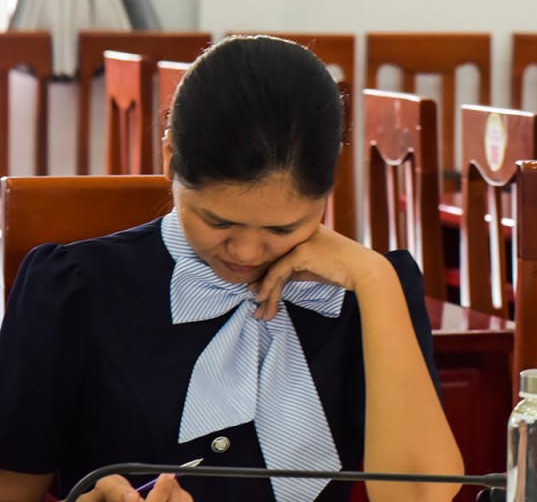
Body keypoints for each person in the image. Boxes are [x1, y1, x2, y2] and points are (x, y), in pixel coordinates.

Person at [0, 35, 463, 502]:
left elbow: (421, 497)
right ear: (170, 158)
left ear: (328, 187)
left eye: (283, 228)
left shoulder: (367, 294)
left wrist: (375, 280)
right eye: (217, 222)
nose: (246, 251)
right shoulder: (75, 289)